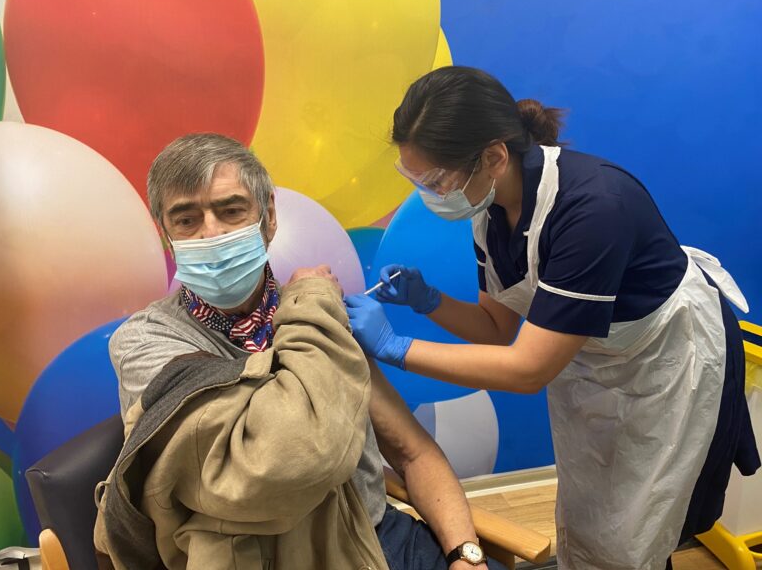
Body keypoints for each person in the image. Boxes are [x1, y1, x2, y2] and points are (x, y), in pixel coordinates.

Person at [344, 66, 760, 570]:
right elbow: (497, 331)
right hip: (591, 357)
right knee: (588, 516)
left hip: (665, 362)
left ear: (494, 156)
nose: (429, 196)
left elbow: (527, 369)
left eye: (435, 180)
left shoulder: (594, 208)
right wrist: (427, 300)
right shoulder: (490, 207)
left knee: (637, 531)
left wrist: (393, 347)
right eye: (415, 181)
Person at [93, 133, 506, 570]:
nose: (212, 234)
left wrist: (466, 554)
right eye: (186, 220)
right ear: (166, 235)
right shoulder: (149, 342)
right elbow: (277, 464)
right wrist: (312, 307)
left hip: (373, 537)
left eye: (231, 211)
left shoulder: (318, 315)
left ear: (268, 217)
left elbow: (412, 452)